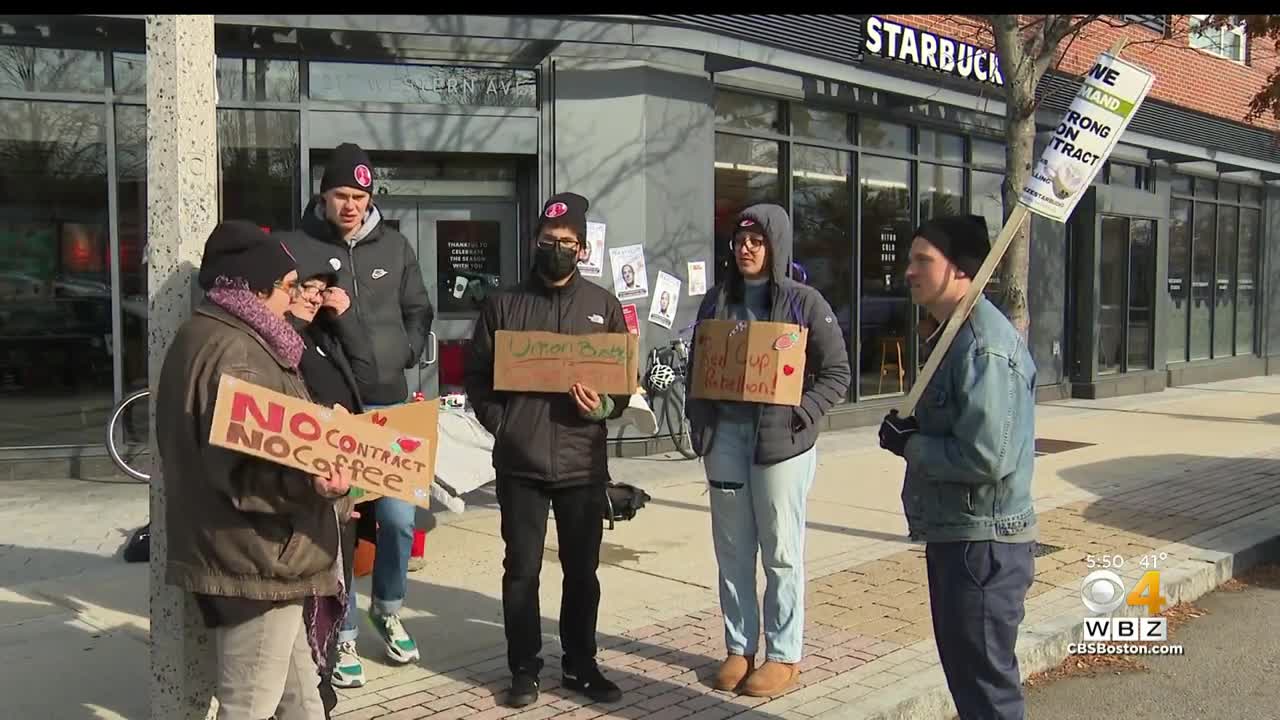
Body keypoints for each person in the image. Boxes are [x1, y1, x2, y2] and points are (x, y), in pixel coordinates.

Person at [156, 220, 353, 720]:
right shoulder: (240, 353)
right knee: (249, 706)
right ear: (252, 288)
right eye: (288, 288)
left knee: (304, 703)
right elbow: (244, 469)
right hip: (258, 557)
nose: (293, 301)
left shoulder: (219, 336)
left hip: (257, 555)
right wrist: (314, 480)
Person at [464, 192, 629, 709]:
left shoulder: (602, 306)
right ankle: (523, 667)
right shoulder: (503, 305)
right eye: (547, 241)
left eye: (567, 242)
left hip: (582, 463)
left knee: (583, 572)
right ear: (535, 243)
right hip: (522, 463)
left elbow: (622, 385)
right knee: (522, 571)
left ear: (582, 248)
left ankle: (581, 663)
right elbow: (477, 380)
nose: (556, 249)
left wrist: (603, 405)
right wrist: (506, 425)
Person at [685, 205, 851, 697]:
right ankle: (739, 647)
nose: (746, 248)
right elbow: (699, 368)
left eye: (756, 240)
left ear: (775, 245)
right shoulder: (716, 302)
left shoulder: (803, 301)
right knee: (732, 551)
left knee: (780, 553)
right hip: (726, 442)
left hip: (781, 445)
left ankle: (784, 655)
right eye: (739, 240)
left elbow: (838, 372)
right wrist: (700, 425)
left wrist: (803, 413)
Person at [877, 215, 1038, 720]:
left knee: (988, 692)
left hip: (983, 547)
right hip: (960, 536)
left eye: (923, 260)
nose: (909, 271)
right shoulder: (952, 336)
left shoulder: (983, 348)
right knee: (972, 685)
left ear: (962, 271)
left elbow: (987, 456)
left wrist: (913, 446)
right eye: (910, 259)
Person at [299, 142, 433, 683]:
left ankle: (389, 608)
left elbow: (419, 309)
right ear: (323, 196)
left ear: (369, 196)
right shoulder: (302, 245)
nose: (349, 205)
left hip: (390, 401)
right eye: (339, 195)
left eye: (358, 195)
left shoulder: (396, 247)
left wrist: (405, 350)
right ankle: (346, 634)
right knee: (342, 525)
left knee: (400, 519)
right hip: (333, 405)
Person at [279, 233, 379, 717]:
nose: (316, 298)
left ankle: (325, 665)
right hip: (307, 485)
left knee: (336, 581)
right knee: (313, 590)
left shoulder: (320, 334)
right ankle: (315, 674)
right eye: (309, 288)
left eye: (323, 290)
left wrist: (344, 318)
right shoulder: (278, 340)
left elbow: (368, 374)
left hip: (340, 479)